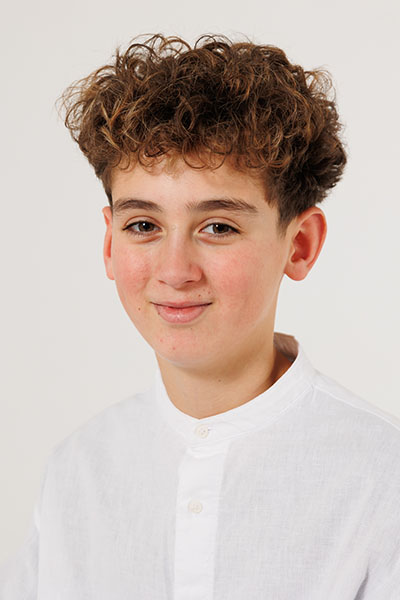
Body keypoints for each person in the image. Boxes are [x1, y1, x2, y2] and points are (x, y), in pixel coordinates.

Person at [1, 33, 400, 599]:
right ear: (110, 244)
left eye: (218, 227)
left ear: (300, 245)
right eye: (143, 225)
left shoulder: (382, 481)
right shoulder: (76, 473)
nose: (175, 270)